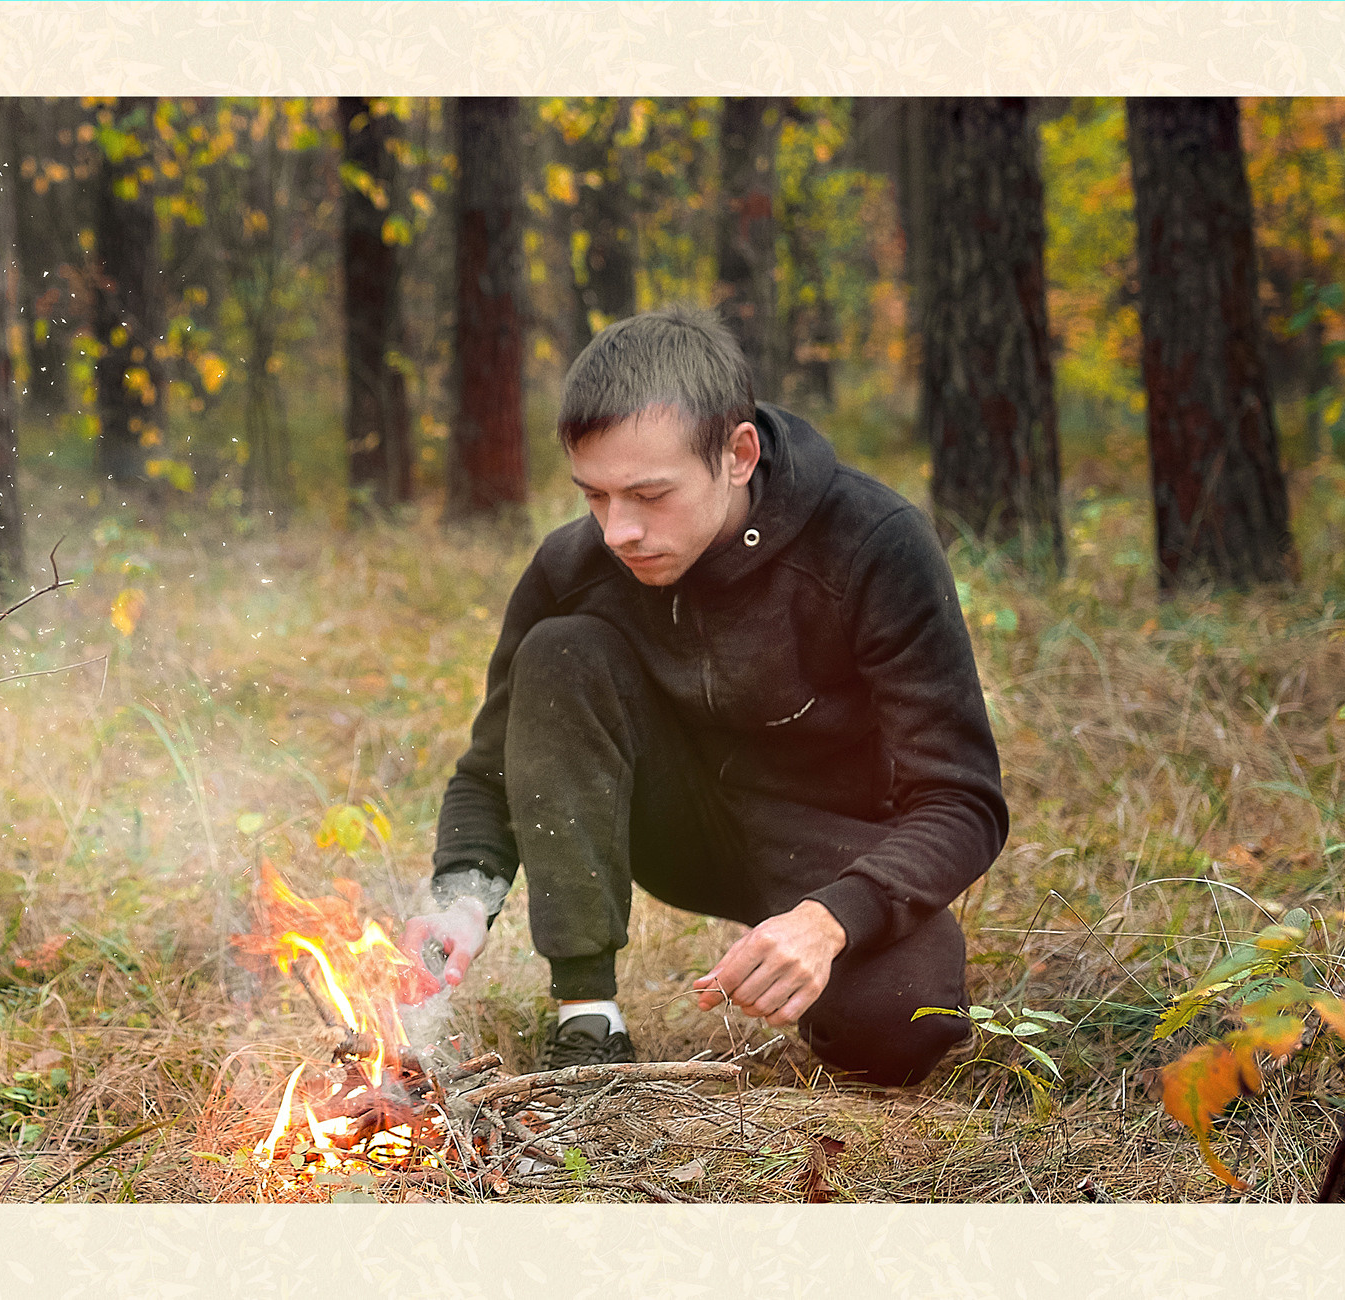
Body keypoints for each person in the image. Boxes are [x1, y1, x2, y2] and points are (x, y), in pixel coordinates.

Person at [398, 303, 1009, 1086]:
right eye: (595, 496)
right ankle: (588, 1018)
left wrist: (830, 921)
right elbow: (488, 773)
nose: (618, 531)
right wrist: (461, 901)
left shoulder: (873, 543)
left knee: (904, 1029)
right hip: (672, 824)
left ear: (739, 454)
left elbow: (965, 802)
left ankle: (823, 944)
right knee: (559, 650)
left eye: (650, 496)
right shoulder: (573, 568)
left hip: (830, 840)